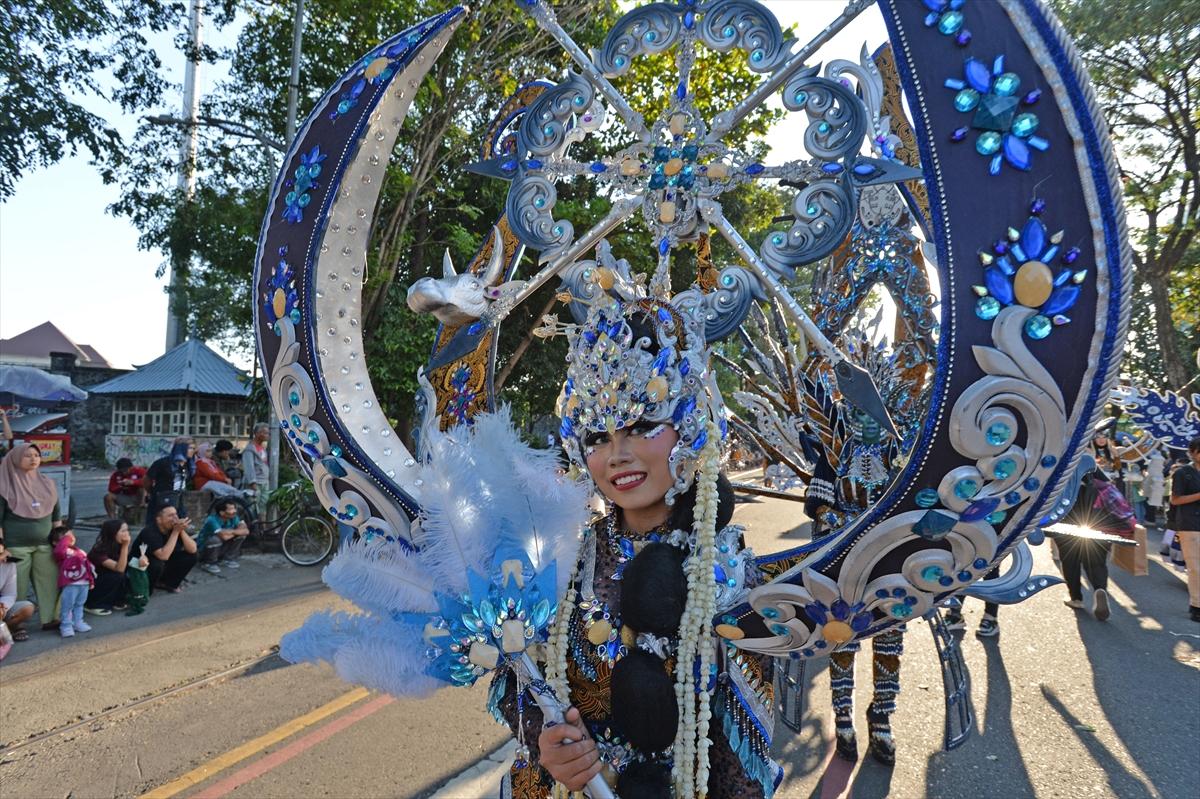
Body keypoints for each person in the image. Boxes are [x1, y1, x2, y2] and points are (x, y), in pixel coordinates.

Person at [494, 297, 781, 798]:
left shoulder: (725, 571)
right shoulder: (560, 555)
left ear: (690, 427)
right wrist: (548, 742)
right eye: (598, 437)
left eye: (642, 427)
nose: (617, 455)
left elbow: (743, 757)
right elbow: (513, 679)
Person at [0, 443, 62, 630]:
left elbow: (56, 515)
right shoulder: (4, 486)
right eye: (27, 455)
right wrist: (2, 545)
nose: (34, 458)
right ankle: (15, 625)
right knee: (16, 588)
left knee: (49, 582)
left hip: (45, 544)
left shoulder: (47, 483)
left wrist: (61, 540)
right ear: (15, 459)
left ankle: (50, 618)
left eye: (36, 455)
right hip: (16, 546)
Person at [85, 519, 148, 615]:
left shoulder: (118, 546)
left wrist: (142, 560)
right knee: (118, 575)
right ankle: (93, 605)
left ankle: (116, 600)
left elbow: (129, 562)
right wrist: (125, 546)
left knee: (130, 573)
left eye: (127, 530)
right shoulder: (99, 551)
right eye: (123, 531)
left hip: (108, 582)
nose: (126, 534)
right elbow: (119, 569)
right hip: (93, 586)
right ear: (113, 534)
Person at [135, 501, 198, 593]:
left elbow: (193, 549)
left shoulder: (174, 528)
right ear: (159, 519)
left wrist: (181, 531)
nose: (175, 518)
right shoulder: (149, 532)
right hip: (139, 563)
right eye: (170, 515)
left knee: (191, 556)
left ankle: (169, 584)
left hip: (163, 559)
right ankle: (147, 589)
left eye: (176, 514)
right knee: (157, 564)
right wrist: (176, 532)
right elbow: (163, 556)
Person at [1169, 437, 1200, 622]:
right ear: (1192, 453)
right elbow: (1175, 500)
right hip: (1190, 524)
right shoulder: (1183, 473)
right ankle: (1196, 605)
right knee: (1196, 567)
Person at [50, 525, 94, 637]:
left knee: (80, 604)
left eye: (71, 535)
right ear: (55, 542)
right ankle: (66, 625)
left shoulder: (79, 551)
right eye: (65, 536)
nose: (70, 537)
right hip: (70, 583)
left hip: (84, 582)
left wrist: (91, 580)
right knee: (67, 605)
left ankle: (78, 622)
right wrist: (66, 540)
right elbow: (59, 552)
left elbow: (87, 565)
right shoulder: (62, 551)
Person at [196, 497, 250, 574]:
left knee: (241, 535)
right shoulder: (212, 520)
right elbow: (224, 537)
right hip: (205, 550)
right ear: (222, 512)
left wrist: (231, 532)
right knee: (215, 539)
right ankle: (209, 563)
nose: (234, 511)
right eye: (231, 509)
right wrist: (236, 532)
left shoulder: (234, 517)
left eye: (234, 508)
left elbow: (246, 531)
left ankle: (227, 559)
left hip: (222, 546)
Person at [146, 437, 195, 511]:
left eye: (193, 448)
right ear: (181, 448)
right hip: (162, 499)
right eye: (190, 448)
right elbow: (147, 480)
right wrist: (152, 492)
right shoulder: (163, 463)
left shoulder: (189, 465)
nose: (193, 451)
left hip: (178, 499)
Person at [0, 540, 35, 642]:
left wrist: (3, 606)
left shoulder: (8, 564)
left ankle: (4, 629)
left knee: (27, 608)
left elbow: (10, 594)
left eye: (1, 553)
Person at [241, 425, 270, 517]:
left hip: (264, 482)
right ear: (257, 434)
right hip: (255, 482)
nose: (267, 435)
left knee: (263, 506)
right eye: (265, 433)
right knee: (252, 508)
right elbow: (249, 467)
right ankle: (250, 528)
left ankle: (262, 528)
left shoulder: (262, 448)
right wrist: (252, 482)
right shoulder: (249, 449)